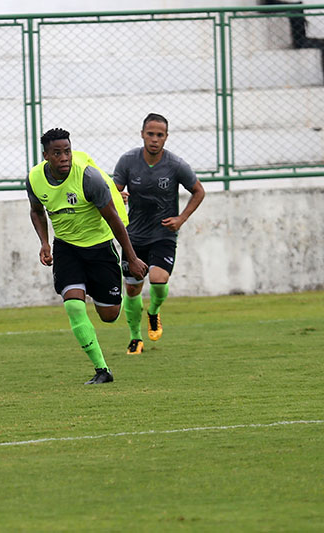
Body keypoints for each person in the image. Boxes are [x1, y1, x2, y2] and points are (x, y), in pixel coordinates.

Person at [27, 128, 148, 384]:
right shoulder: (35, 179)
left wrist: (132, 258)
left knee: (109, 315)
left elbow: (114, 219)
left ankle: (96, 288)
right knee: (73, 305)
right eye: (57, 153)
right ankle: (102, 369)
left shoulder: (88, 178)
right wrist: (44, 243)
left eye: (67, 151)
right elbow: (36, 210)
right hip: (66, 248)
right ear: (46, 155)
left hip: (99, 248)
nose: (64, 158)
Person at [113, 113, 205, 355]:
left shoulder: (175, 165)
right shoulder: (128, 161)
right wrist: (119, 196)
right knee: (132, 289)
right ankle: (135, 338)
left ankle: (153, 311)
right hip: (133, 236)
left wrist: (181, 218)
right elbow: (112, 192)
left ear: (166, 137)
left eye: (159, 135)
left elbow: (198, 191)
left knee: (158, 278)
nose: (154, 139)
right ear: (142, 134)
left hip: (163, 234)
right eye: (150, 134)